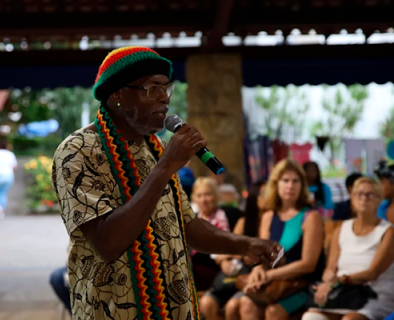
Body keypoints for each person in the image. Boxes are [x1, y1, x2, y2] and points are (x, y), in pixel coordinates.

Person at [51, 46, 282, 320]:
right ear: (117, 93)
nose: (164, 99)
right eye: (152, 89)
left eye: (166, 89)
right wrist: (165, 167)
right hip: (111, 311)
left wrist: (245, 245)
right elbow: (108, 242)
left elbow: (188, 226)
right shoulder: (77, 151)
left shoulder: (156, 148)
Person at [239, 159, 325, 320]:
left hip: (301, 284)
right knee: (246, 303)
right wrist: (258, 270)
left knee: (273, 312)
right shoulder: (268, 216)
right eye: (285, 180)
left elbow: (308, 264)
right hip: (272, 282)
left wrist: (269, 276)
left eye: (295, 181)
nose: (290, 186)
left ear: (302, 185)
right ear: (276, 184)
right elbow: (262, 256)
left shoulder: (311, 217)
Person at [302, 177, 394, 320]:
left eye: (370, 195)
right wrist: (327, 281)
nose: (364, 198)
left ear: (379, 200)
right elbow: (331, 267)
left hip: (374, 295)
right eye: (360, 194)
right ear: (352, 198)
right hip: (344, 293)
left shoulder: (388, 232)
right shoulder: (341, 229)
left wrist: (338, 280)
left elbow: (372, 273)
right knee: (311, 317)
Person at [200, 180, 267, 320]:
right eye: (263, 194)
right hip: (233, 274)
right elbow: (229, 248)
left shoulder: (274, 220)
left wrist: (234, 256)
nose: (269, 196)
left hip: (253, 276)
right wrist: (224, 261)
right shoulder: (245, 221)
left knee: (232, 307)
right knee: (206, 303)